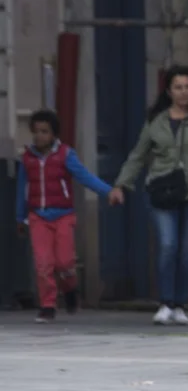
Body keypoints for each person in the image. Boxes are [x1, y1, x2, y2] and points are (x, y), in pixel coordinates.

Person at [108, 65, 188, 326]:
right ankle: (165, 302)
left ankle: (180, 304)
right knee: (168, 245)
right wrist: (121, 185)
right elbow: (138, 155)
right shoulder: (156, 121)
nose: (184, 92)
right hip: (162, 191)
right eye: (178, 87)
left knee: (186, 250)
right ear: (168, 91)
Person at [16, 110, 112, 323]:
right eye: (36, 132)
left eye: (45, 132)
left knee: (64, 262)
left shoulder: (65, 155)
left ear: (54, 135)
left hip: (62, 216)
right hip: (38, 216)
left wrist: (108, 191)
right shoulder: (27, 158)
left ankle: (70, 289)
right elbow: (23, 188)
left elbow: (84, 177)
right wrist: (20, 217)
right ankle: (47, 305)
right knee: (43, 263)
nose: (40, 136)